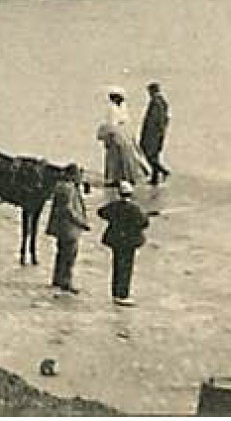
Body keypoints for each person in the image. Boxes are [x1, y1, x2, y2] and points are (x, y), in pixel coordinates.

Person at [96, 181, 148, 305]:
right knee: (126, 268)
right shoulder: (135, 208)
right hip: (129, 242)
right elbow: (144, 223)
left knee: (116, 265)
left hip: (115, 240)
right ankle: (123, 294)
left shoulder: (113, 206)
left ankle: (115, 292)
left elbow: (101, 212)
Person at [45, 163, 90, 293]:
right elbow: (68, 209)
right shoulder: (69, 189)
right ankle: (66, 281)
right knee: (69, 256)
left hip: (61, 227)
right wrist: (81, 222)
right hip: (69, 228)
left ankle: (58, 279)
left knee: (61, 254)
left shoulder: (60, 186)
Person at [97, 87, 151, 187]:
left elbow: (125, 122)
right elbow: (111, 124)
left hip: (123, 134)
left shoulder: (122, 107)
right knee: (114, 158)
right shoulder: (112, 108)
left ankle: (126, 177)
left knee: (126, 156)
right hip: (115, 135)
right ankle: (114, 179)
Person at [140, 81, 171, 184]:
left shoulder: (156, 102)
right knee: (155, 155)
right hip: (158, 133)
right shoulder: (162, 102)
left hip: (153, 133)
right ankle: (155, 177)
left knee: (149, 154)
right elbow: (166, 119)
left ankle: (163, 171)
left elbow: (154, 120)